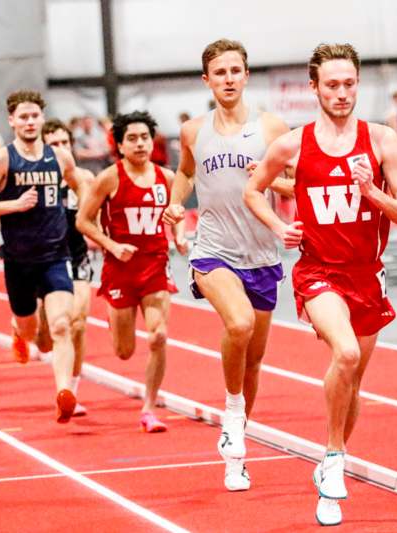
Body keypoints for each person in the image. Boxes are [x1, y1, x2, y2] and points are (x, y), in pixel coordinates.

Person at [244, 43, 397, 526]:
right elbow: (252, 190)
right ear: (314, 87)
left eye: (349, 84)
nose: (341, 93)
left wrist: (370, 190)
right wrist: (280, 229)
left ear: (358, 84)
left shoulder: (381, 141)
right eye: (332, 85)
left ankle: (328, 462)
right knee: (346, 355)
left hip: (368, 276)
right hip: (318, 273)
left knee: (352, 383)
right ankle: (335, 458)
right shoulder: (292, 145)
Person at [162, 39, 293, 492]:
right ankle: (232, 410)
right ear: (207, 80)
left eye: (235, 70)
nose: (229, 79)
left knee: (254, 360)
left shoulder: (272, 127)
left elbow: (296, 183)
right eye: (220, 73)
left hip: (261, 253)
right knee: (237, 324)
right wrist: (176, 204)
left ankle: (236, 451)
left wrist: (271, 175)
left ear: (246, 75)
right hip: (213, 249)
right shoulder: (193, 130)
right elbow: (183, 172)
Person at [0, 90, 81, 423]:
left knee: (62, 325)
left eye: (35, 116)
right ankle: (19, 332)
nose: (30, 122)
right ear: (12, 121)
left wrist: (90, 219)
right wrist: (13, 205)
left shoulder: (59, 157)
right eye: (23, 117)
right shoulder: (2, 159)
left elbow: (82, 186)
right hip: (18, 259)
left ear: (42, 119)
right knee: (32, 331)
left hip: (55, 254)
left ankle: (65, 392)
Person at [77, 111, 187, 432]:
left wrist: (179, 237)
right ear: (120, 145)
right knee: (124, 352)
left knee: (159, 335)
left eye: (145, 138)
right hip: (119, 270)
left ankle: (149, 408)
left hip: (154, 265)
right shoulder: (109, 178)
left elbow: (176, 211)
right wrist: (110, 246)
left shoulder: (166, 178)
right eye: (132, 139)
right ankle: (114, 317)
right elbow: (83, 221)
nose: (140, 144)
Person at [37, 119, 95, 417]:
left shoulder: (83, 177)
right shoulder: (35, 177)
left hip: (76, 255)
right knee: (45, 336)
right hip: (42, 259)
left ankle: (69, 390)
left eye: (64, 143)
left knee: (78, 323)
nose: (61, 149)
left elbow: (93, 216)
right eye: (54, 145)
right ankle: (27, 325)